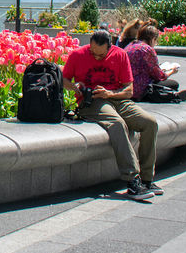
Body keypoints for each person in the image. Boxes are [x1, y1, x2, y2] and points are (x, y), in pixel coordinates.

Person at [61, 30, 161, 201]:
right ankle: (132, 181)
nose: (96, 57)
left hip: (117, 99)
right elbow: (63, 80)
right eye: (93, 53)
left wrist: (109, 93)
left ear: (110, 47)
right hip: (92, 102)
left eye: (101, 55)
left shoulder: (120, 55)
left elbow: (129, 90)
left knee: (150, 123)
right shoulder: (77, 55)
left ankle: (147, 179)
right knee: (117, 124)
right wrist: (76, 88)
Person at [125, 25, 186, 102]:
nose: (155, 43)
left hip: (125, 87)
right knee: (174, 84)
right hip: (139, 88)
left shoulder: (130, 45)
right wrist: (171, 71)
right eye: (156, 40)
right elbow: (159, 76)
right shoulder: (147, 49)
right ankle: (171, 95)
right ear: (152, 39)